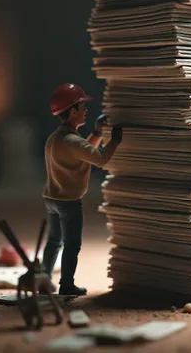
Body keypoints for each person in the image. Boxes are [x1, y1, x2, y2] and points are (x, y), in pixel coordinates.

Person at [42, 82, 123, 296]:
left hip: (51, 199)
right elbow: (101, 159)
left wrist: (96, 132)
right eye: (82, 106)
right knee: (71, 245)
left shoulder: (56, 138)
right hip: (69, 203)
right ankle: (66, 285)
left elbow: (83, 151)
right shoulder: (72, 141)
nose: (86, 110)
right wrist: (114, 139)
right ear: (72, 111)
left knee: (53, 242)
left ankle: (44, 280)